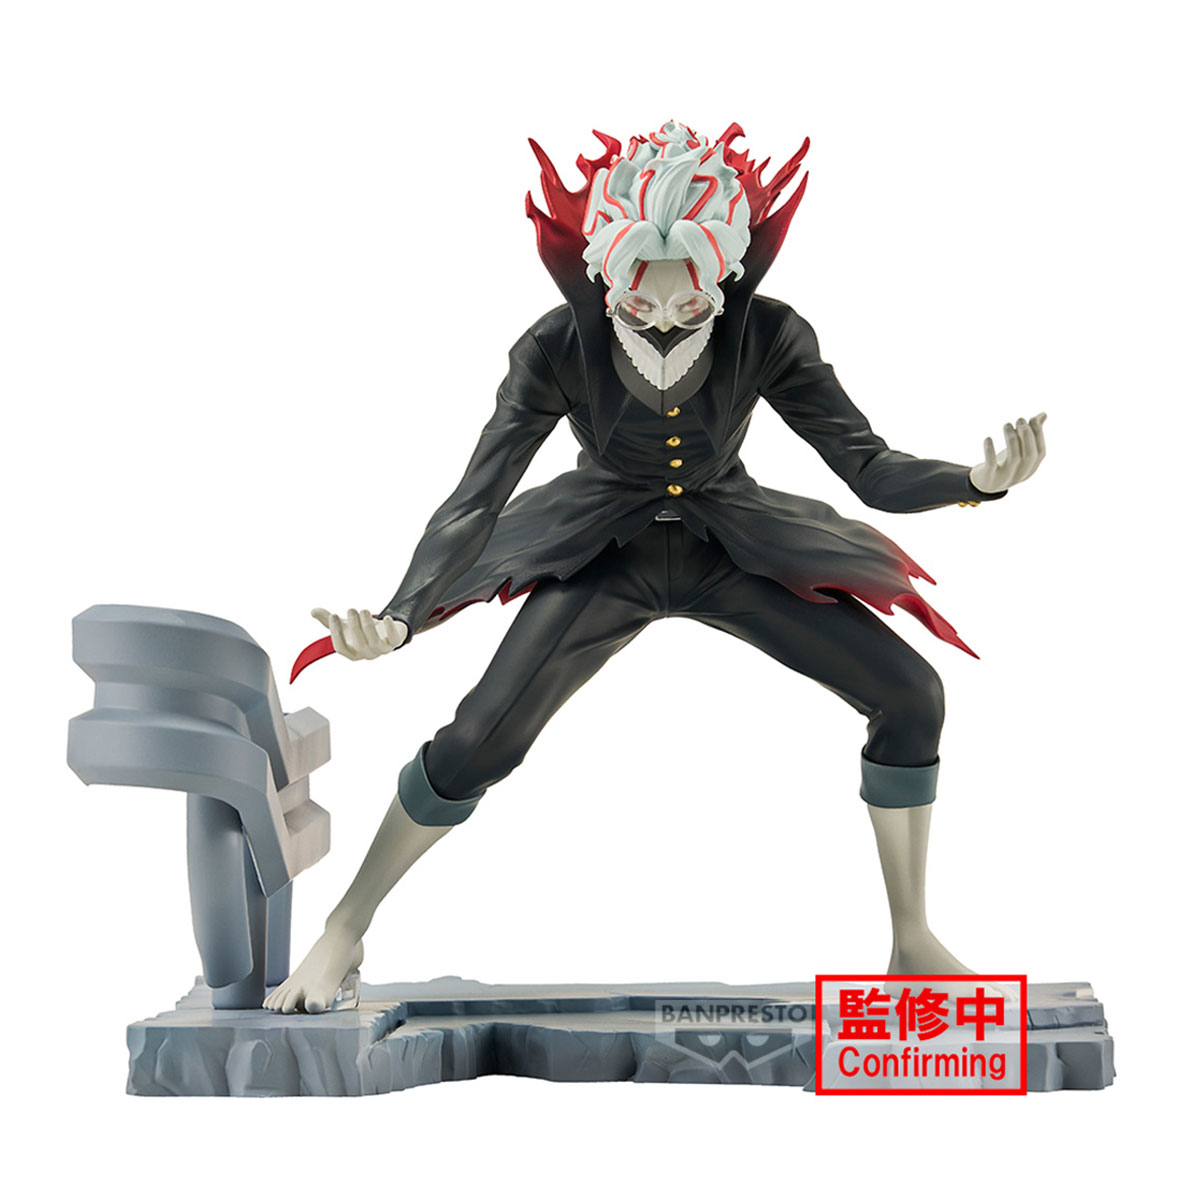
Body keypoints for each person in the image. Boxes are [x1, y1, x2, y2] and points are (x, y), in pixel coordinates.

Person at [266, 121, 1045, 1015]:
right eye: (641, 308)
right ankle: (346, 926)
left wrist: (973, 482)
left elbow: (866, 465)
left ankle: (911, 939)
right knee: (480, 739)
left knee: (912, 695)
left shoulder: (767, 333)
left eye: (691, 305)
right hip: (604, 553)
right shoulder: (557, 346)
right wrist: (403, 615)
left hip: (732, 547)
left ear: (724, 277)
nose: (668, 322)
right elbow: (476, 498)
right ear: (607, 278)